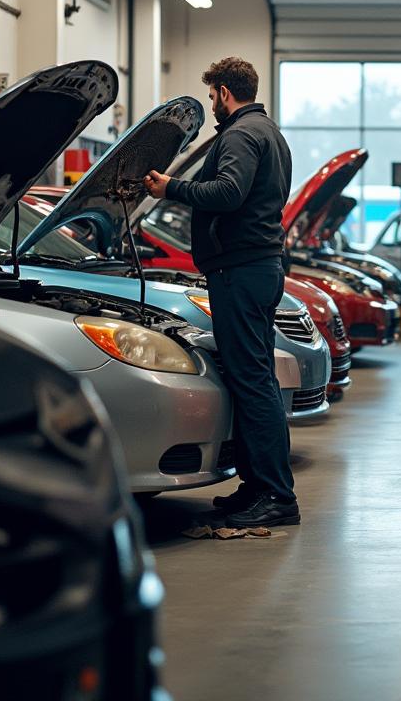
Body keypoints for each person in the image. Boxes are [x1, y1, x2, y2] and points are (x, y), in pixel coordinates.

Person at [143, 57, 299, 529]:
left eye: (212, 96)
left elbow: (228, 193)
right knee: (253, 377)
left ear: (227, 92)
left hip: (243, 270)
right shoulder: (270, 133)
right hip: (256, 266)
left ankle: (276, 495)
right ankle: (255, 487)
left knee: (253, 380)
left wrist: (172, 188)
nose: (212, 104)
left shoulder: (239, 134)